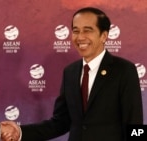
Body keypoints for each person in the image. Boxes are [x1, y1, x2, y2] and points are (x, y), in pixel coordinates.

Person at [11, 7, 143, 141]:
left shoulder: (124, 70)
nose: (80, 37)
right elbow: (60, 122)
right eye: (76, 31)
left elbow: (135, 124)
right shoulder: (70, 72)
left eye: (87, 30)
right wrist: (19, 132)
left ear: (103, 36)